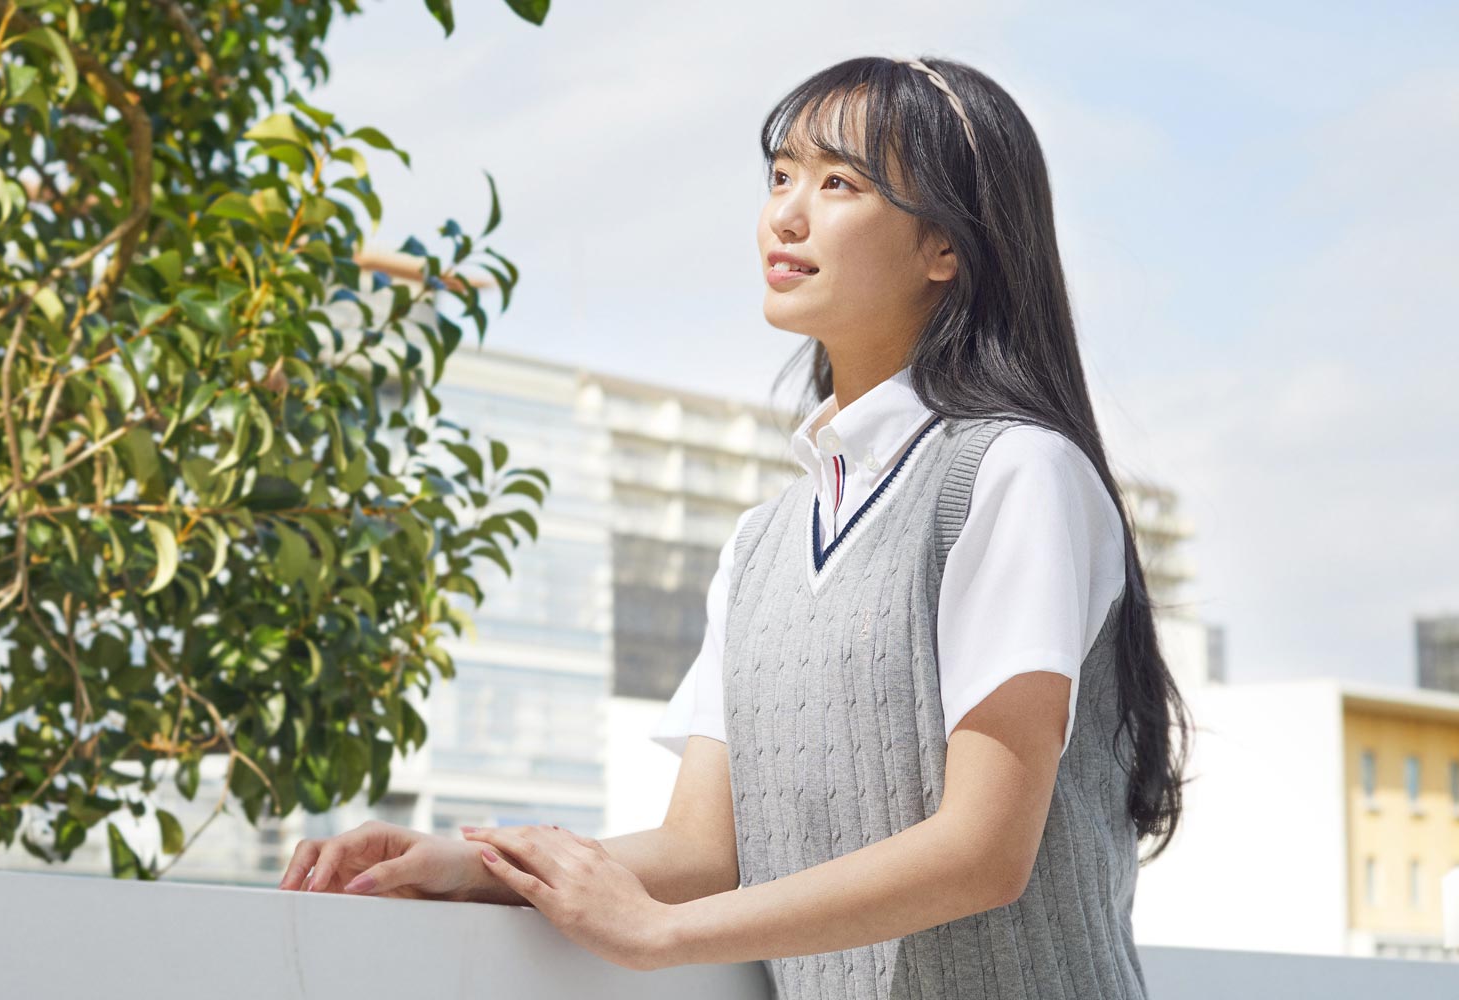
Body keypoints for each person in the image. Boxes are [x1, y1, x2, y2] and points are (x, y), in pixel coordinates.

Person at [277, 54, 1193, 998]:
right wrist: (477, 866)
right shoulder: (761, 545)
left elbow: (982, 852)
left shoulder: (1014, 472)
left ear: (946, 249)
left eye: (839, 182)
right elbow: (706, 850)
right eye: (780, 177)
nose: (785, 214)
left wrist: (657, 937)